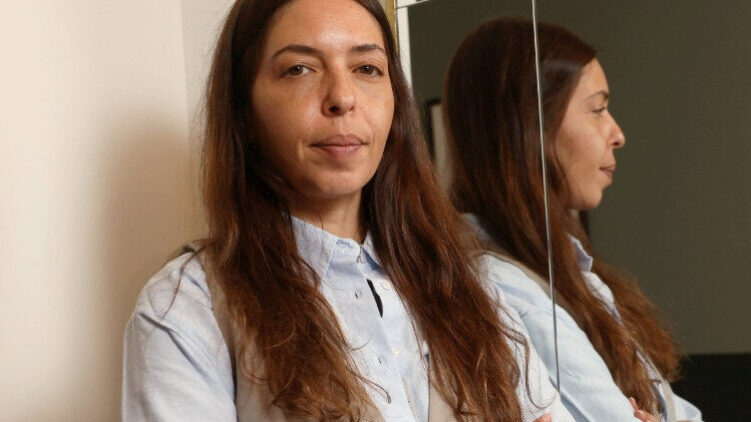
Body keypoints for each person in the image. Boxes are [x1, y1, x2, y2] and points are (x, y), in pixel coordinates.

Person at [122, 2, 573, 421]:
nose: (342, 97)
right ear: (244, 112)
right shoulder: (187, 306)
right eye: (299, 69)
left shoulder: (468, 285)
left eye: (366, 69)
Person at [443, 17, 702, 422]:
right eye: (597, 109)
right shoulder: (497, 281)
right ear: (531, 125)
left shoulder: (569, 269)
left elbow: (678, 413)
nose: (617, 134)